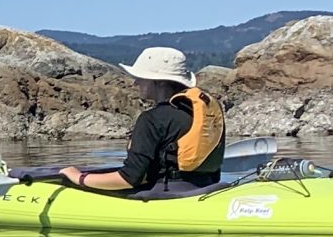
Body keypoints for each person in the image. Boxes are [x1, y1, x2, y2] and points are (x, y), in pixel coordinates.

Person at [60, 46, 225, 193]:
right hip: (206, 187)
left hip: (168, 194)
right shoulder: (202, 113)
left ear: (159, 82)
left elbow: (128, 178)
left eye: (141, 77)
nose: (135, 82)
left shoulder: (152, 119)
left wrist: (79, 177)